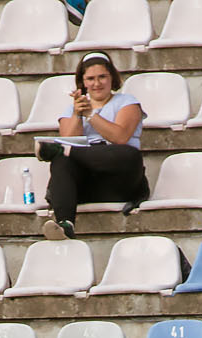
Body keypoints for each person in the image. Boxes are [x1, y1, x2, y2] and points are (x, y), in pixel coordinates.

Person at [35, 52, 146, 242]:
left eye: (102, 77)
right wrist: (78, 115)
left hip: (121, 178)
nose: (97, 83)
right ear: (83, 82)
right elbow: (68, 138)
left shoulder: (128, 102)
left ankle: (65, 151)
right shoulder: (71, 110)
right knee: (61, 161)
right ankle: (65, 224)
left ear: (112, 78)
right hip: (87, 183)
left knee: (129, 154)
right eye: (91, 79)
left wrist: (91, 115)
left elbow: (120, 137)